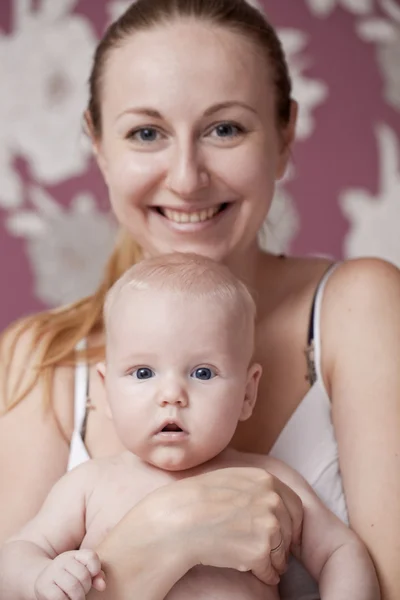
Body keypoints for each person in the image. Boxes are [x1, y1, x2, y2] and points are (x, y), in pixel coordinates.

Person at [0, 0, 399, 599]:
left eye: (224, 128)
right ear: (99, 145)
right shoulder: (41, 361)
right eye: (146, 132)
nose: (186, 177)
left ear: (285, 134)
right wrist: (166, 535)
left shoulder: (358, 308)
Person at [0, 253, 380, 600]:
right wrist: (41, 575)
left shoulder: (265, 481)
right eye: (143, 372)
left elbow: (340, 551)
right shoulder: (88, 486)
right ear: (105, 391)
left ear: (248, 393)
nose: (172, 395)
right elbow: (15, 554)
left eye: (202, 372)